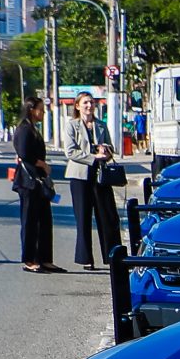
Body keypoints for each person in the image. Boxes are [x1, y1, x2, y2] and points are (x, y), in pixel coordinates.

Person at [63, 91, 122, 269]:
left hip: (100, 177)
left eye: (92, 103)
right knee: (83, 218)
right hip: (80, 176)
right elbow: (70, 151)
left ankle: (112, 256)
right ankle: (85, 258)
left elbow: (111, 148)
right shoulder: (71, 125)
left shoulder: (101, 126)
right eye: (86, 103)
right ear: (78, 106)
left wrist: (106, 151)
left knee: (108, 217)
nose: (89, 106)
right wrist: (93, 157)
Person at [11, 97, 61, 273]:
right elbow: (24, 154)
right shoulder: (24, 129)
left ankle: (45, 258)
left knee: (45, 220)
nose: (43, 112)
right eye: (40, 109)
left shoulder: (33, 129)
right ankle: (29, 259)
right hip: (28, 182)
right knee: (30, 221)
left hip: (38, 182)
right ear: (32, 109)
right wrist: (43, 164)